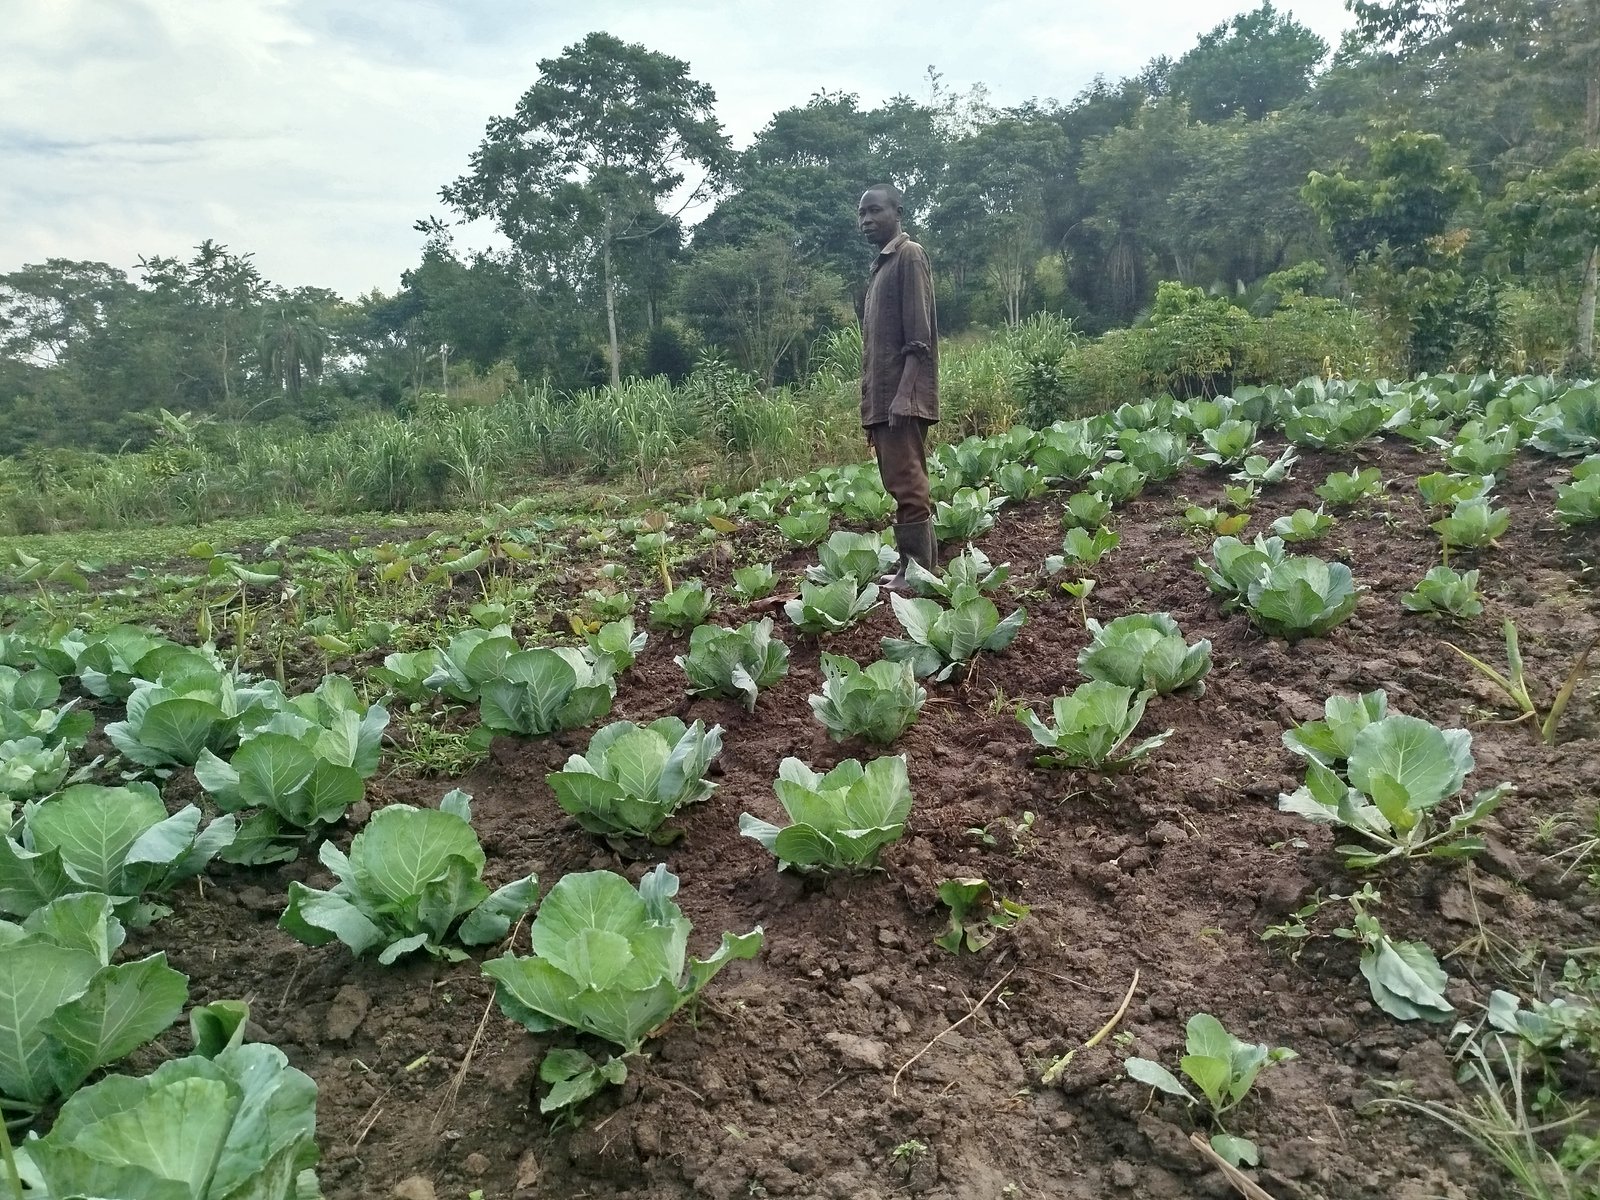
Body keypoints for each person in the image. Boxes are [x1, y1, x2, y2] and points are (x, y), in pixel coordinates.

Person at [858, 183, 938, 588]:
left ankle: (919, 570)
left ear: (897, 212)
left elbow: (918, 338)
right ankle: (914, 567)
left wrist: (905, 395)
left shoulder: (909, 255)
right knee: (900, 480)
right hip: (885, 397)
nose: (866, 221)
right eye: (862, 215)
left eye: (874, 211)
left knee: (907, 481)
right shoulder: (881, 266)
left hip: (901, 397)